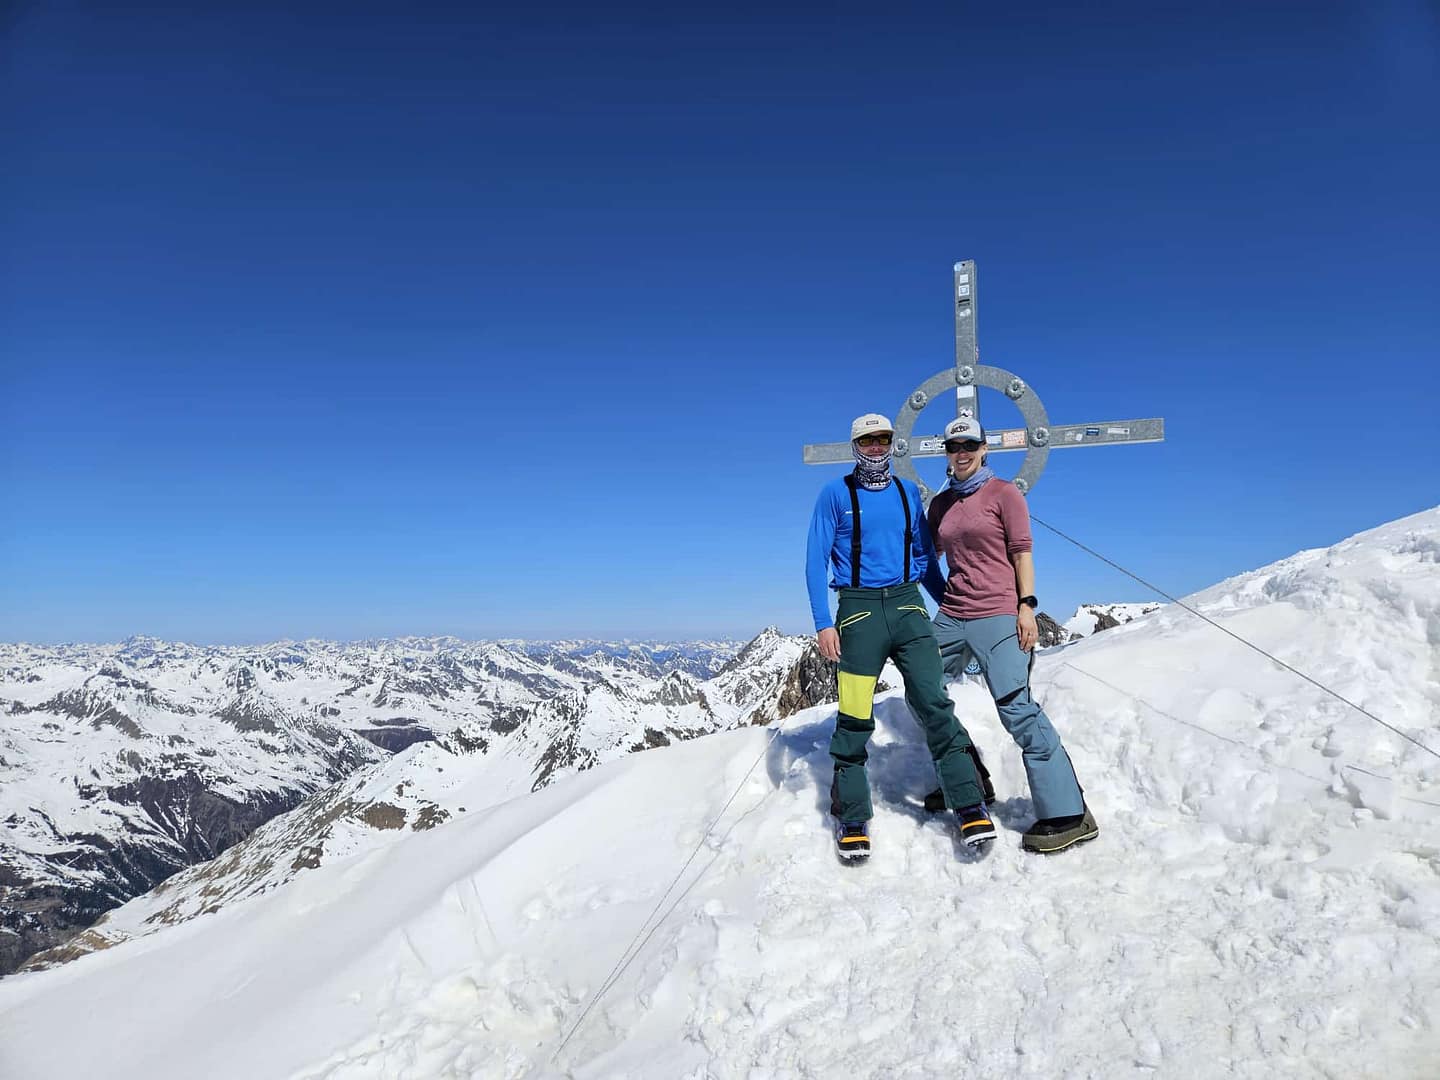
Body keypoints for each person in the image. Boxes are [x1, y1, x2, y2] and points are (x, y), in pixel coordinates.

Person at [806, 412, 996, 861]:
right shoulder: (834, 494)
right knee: (854, 715)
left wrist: (952, 603)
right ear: (855, 445)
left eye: (883, 439)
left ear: (893, 443)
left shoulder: (909, 493)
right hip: (857, 612)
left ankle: (969, 804)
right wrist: (822, 622)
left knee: (934, 703)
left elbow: (927, 560)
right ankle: (852, 814)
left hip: (910, 607)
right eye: (867, 440)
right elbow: (815, 561)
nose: (875, 446)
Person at [923, 415, 1100, 854]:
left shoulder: (1005, 494)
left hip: (999, 613)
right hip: (952, 614)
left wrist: (1027, 607)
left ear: (985, 449)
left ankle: (1068, 814)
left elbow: (1022, 554)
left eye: (969, 445)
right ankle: (966, 781)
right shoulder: (941, 505)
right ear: (945, 453)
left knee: (1015, 707)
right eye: (953, 446)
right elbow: (926, 557)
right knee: (921, 690)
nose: (960, 453)